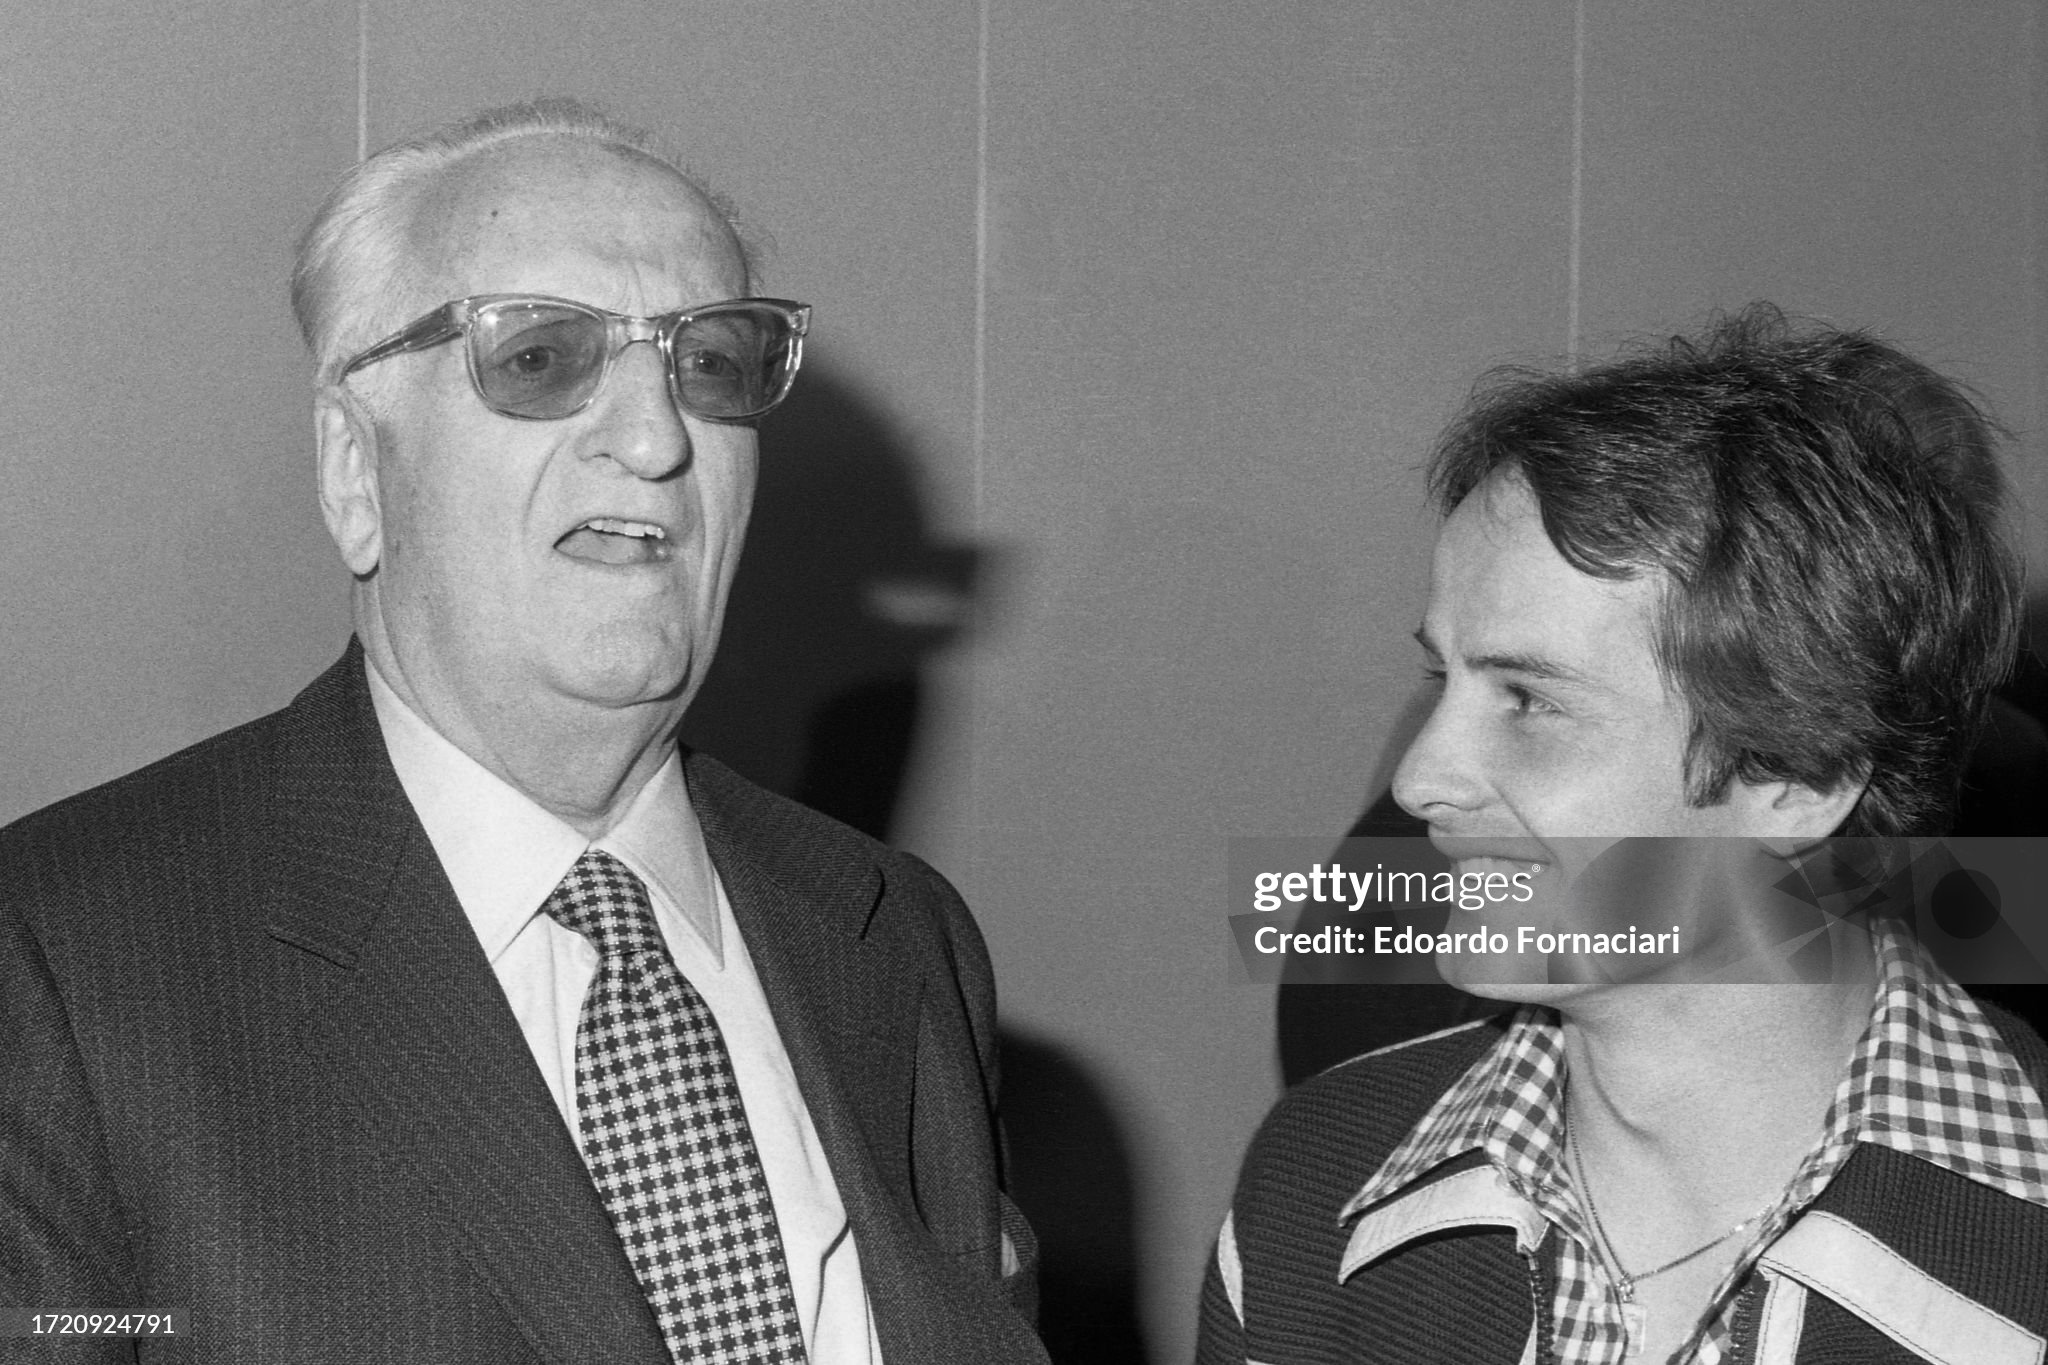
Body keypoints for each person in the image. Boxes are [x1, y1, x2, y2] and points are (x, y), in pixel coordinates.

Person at [1, 100, 1044, 1365]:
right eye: (541, 357)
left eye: (708, 362)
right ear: (353, 473)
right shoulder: (60, 964)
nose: (657, 437)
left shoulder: (893, 931)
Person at [1200, 307, 2048, 1364]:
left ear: (1797, 773)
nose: (1418, 783)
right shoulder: (1307, 1195)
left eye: (1529, 700)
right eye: (1441, 676)